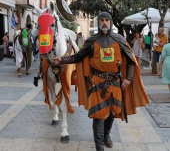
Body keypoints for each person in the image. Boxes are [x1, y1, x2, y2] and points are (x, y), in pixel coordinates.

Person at [53, 12, 149, 151]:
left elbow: (131, 61)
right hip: (97, 82)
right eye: (102, 20)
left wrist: (128, 79)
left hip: (115, 82)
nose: (104, 22)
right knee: (98, 115)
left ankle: (106, 135)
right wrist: (62, 60)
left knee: (111, 112)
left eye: (107, 20)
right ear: (99, 23)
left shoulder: (119, 39)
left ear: (110, 22)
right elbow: (78, 57)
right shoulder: (92, 41)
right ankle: (99, 147)